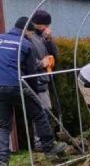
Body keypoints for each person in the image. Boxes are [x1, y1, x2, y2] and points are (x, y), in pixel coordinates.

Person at [0, 22, 66, 166]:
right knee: (39, 114)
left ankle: (2, 163)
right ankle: (49, 149)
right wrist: (35, 94)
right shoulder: (25, 43)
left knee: (3, 125)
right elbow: (31, 75)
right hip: (16, 84)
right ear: (28, 32)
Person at [15, 10, 59, 140]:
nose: (47, 28)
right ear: (37, 24)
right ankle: (40, 140)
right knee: (40, 111)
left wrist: (49, 40)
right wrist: (41, 64)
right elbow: (24, 58)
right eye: (45, 25)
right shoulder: (29, 36)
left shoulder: (43, 37)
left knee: (46, 109)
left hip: (44, 79)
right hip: (35, 79)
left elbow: (54, 55)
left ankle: (46, 139)